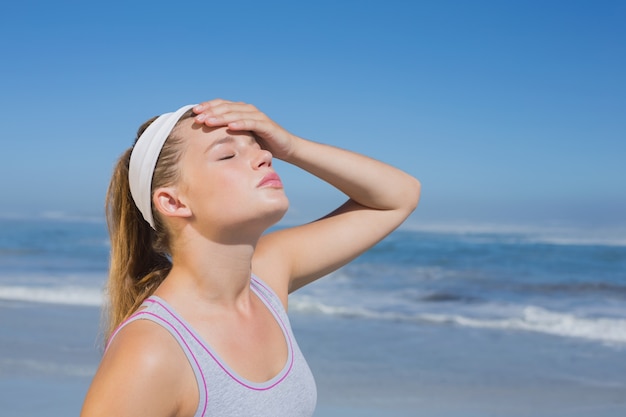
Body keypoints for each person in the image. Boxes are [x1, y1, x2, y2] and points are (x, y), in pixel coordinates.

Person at [80, 99, 420, 417]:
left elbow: (398, 196)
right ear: (173, 202)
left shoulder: (267, 277)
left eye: (261, 149)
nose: (265, 157)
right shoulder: (152, 351)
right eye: (227, 156)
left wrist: (292, 145)